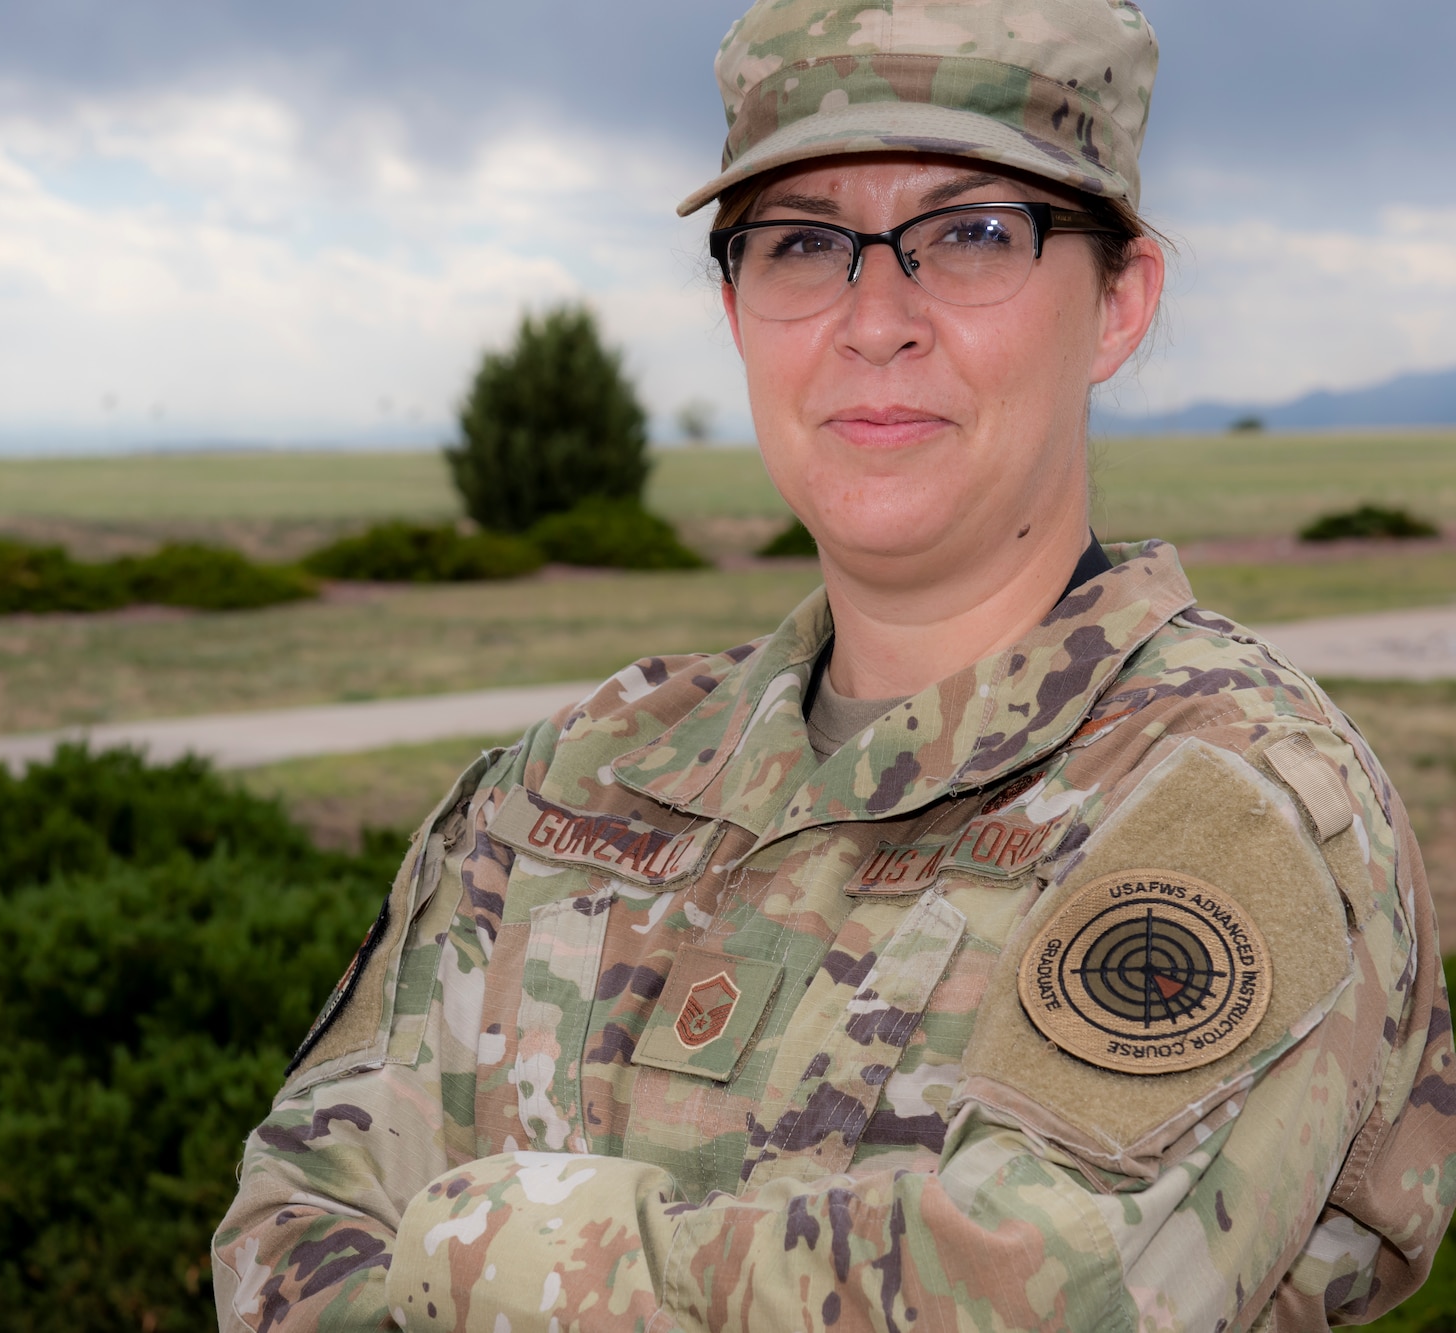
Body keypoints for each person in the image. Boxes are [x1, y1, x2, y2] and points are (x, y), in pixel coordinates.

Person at [213, 1, 1456, 1328]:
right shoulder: (575, 784)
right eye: (804, 243)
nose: (875, 318)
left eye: (972, 233)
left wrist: (504, 1263)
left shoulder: (1232, 797)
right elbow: (290, 1233)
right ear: (738, 306)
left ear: (1118, 303)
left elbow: (1031, 1295)